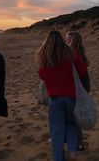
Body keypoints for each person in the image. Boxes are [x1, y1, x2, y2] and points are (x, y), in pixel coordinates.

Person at [36, 30, 87, 161]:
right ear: (62, 40)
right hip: (71, 96)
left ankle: (58, 158)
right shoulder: (72, 53)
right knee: (71, 124)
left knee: (57, 129)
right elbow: (82, 72)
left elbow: (42, 75)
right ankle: (71, 152)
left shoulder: (45, 55)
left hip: (55, 98)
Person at [66, 31, 91, 151]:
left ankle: (79, 143)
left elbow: (80, 72)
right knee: (75, 115)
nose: (66, 41)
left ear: (72, 41)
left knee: (75, 116)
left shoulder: (74, 53)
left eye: (68, 39)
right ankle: (74, 141)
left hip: (79, 88)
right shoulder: (79, 52)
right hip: (82, 86)